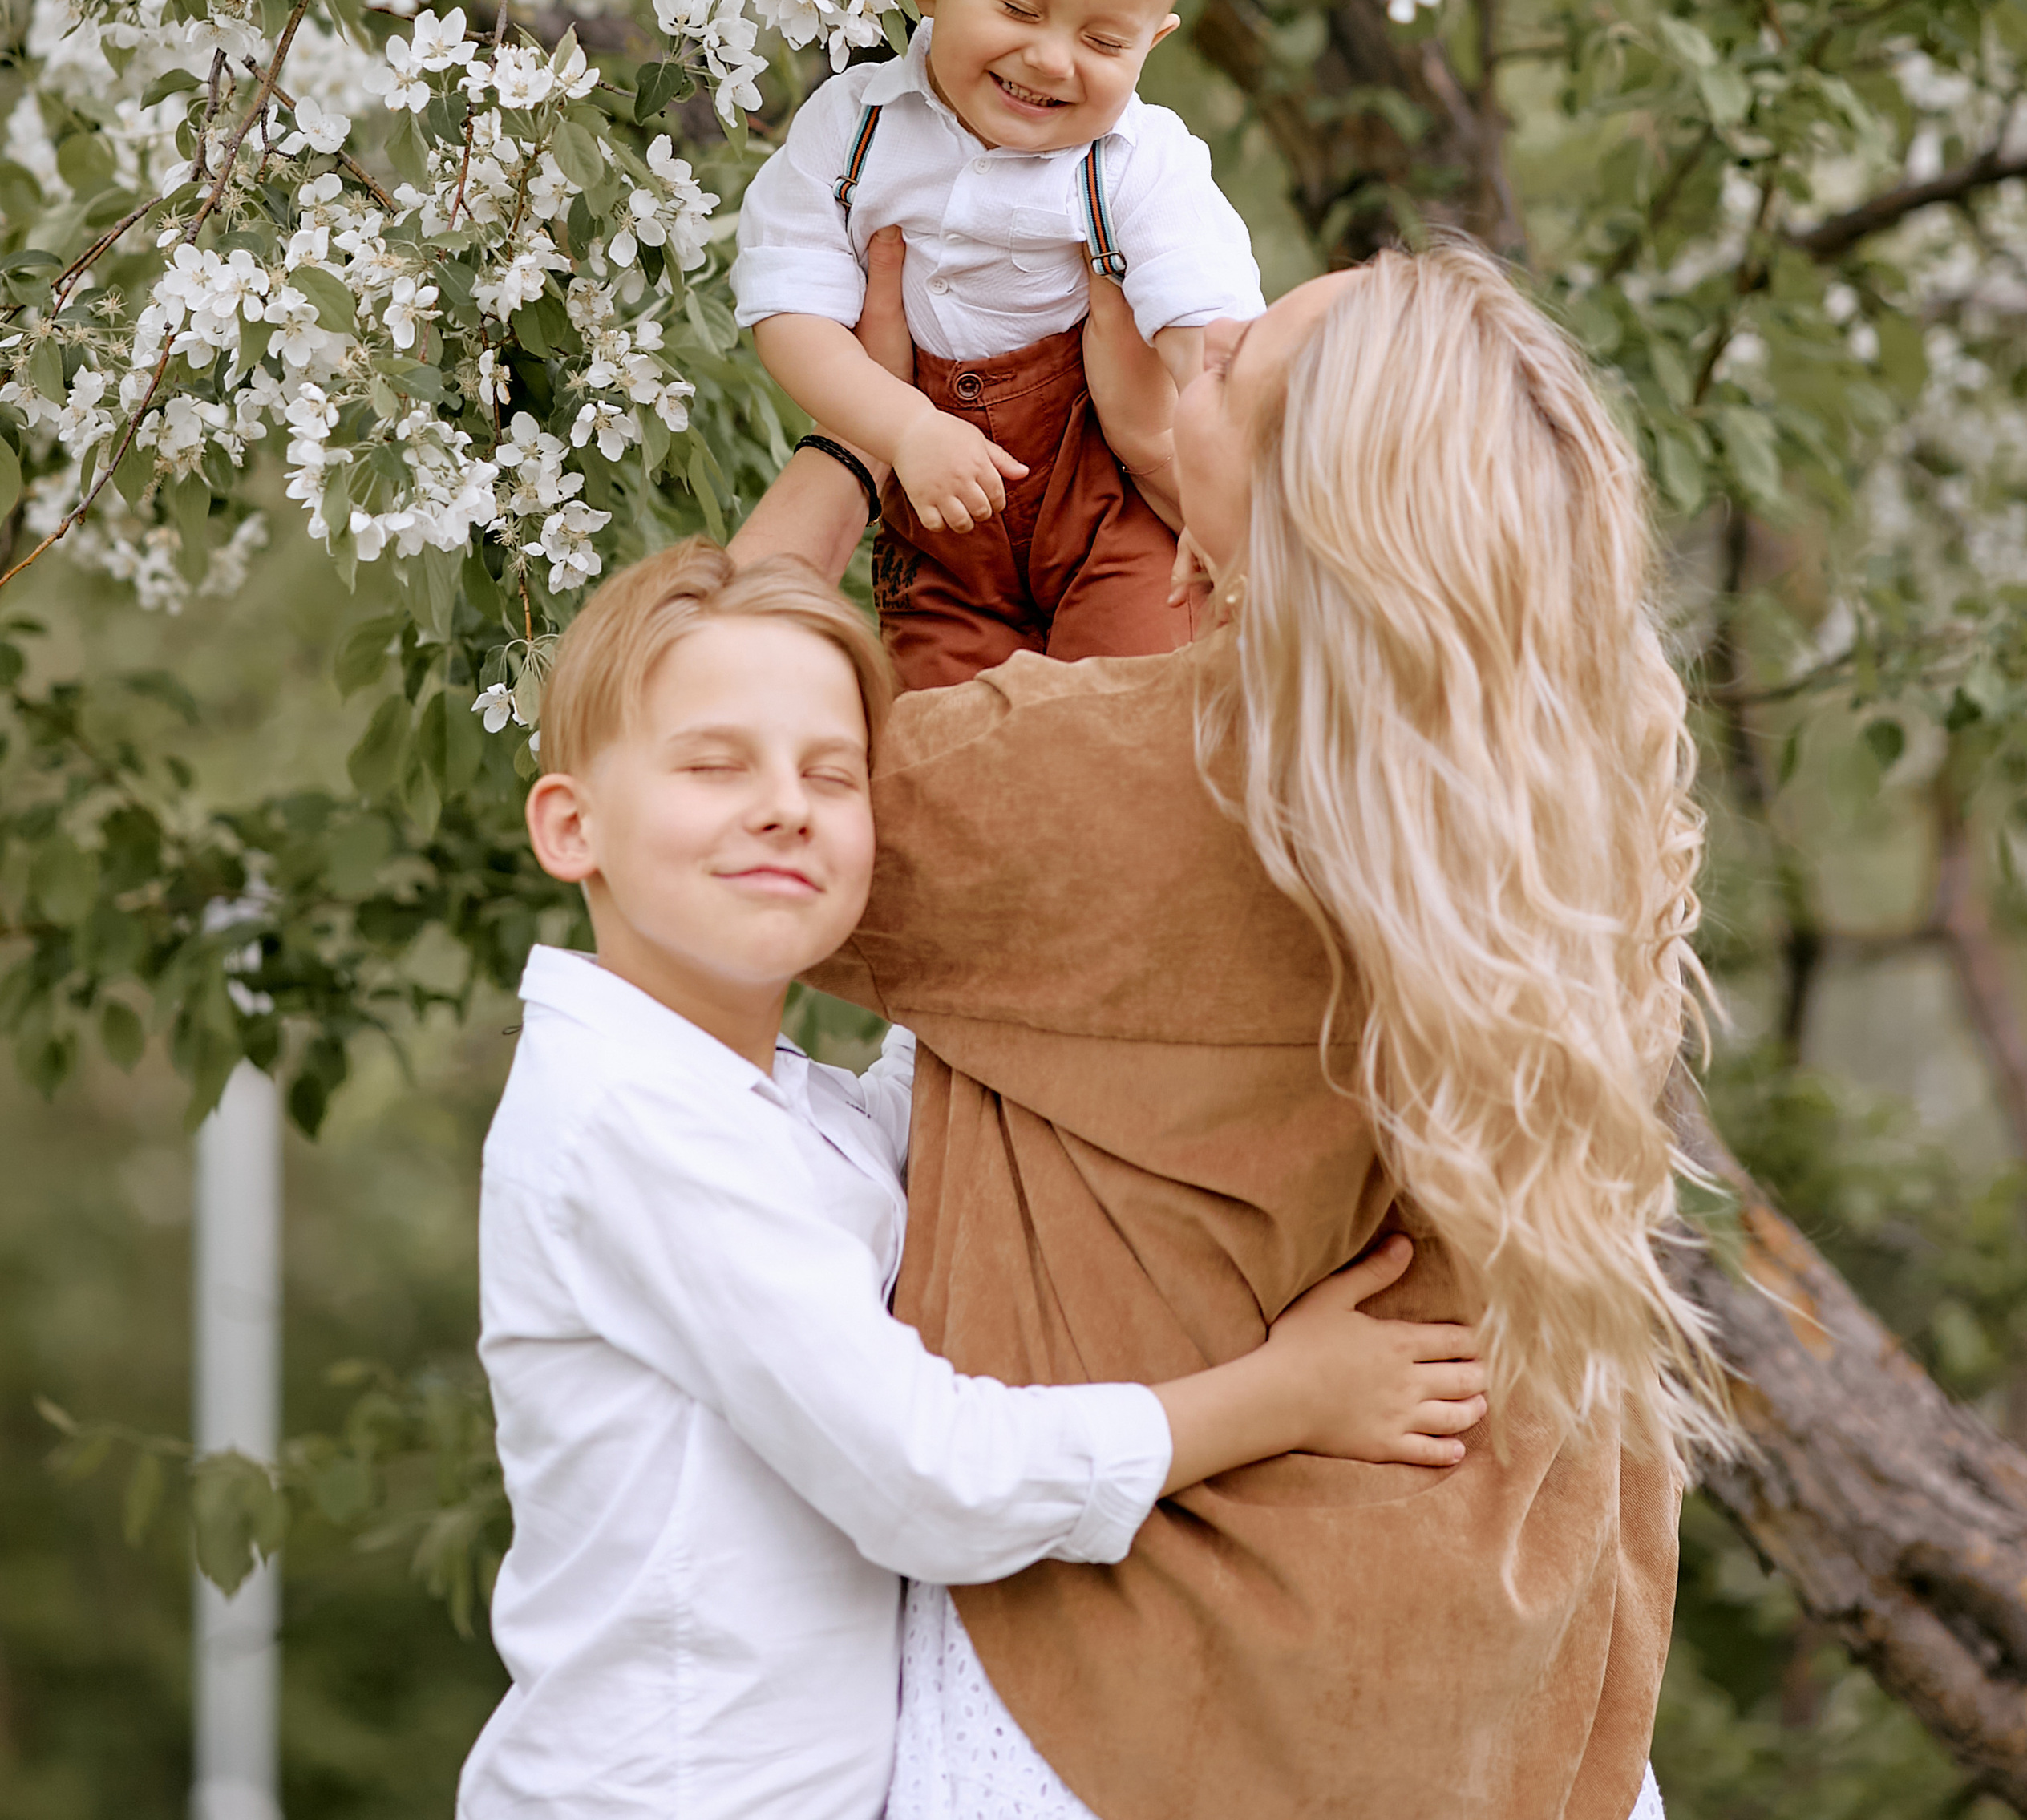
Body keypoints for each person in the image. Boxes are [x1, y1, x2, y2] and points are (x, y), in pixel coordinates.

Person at [734, 234, 1717, 1820]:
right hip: (1508, 1708)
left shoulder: (1097, 789)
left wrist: (858, 429)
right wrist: (1192, 471)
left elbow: (711, 780)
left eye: (1231, 368)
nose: (1204, 338)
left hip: (1146, 1699)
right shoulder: (1577, 815)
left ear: (1312, 513)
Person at [458, 540, 1493, 1820]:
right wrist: (1286, 1397)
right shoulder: (626, 1120)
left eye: (832, 775)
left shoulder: (774, 1105)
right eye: (715, 764)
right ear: (572, 826)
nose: (784, 803)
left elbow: (957, 1097)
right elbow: (925, 1479)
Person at [731, 0, 1266, 688]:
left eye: (1103, 39)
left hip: (1110, 507)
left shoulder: (1135, 159)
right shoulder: (853, 132)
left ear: (1153, 42)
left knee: (1125, 721)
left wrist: (1201, 412)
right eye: (1019, 10)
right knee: (945, 757)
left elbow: (1201, 315)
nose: (1053, 59)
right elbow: (788, 311)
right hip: (939, 529)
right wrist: (903, 427)